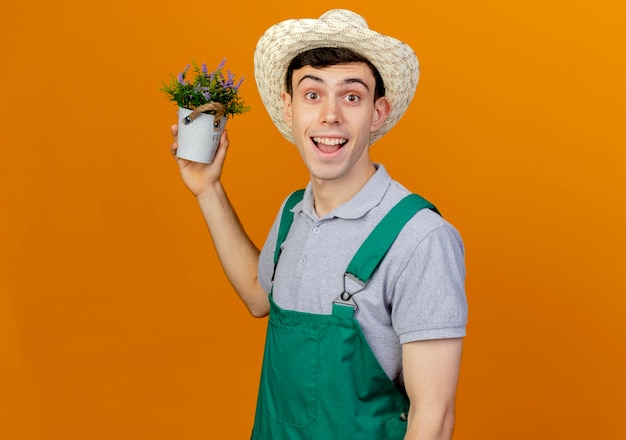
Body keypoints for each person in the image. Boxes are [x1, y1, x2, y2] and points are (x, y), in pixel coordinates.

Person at [170, 9, 467, 440]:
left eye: (351, 96)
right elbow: (259, 297)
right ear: (289, 108)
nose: (330, 115)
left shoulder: (420, 237)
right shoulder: (295, 213)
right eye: (312, 95)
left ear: (377, 112)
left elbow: (434, 420)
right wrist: (207, 190)